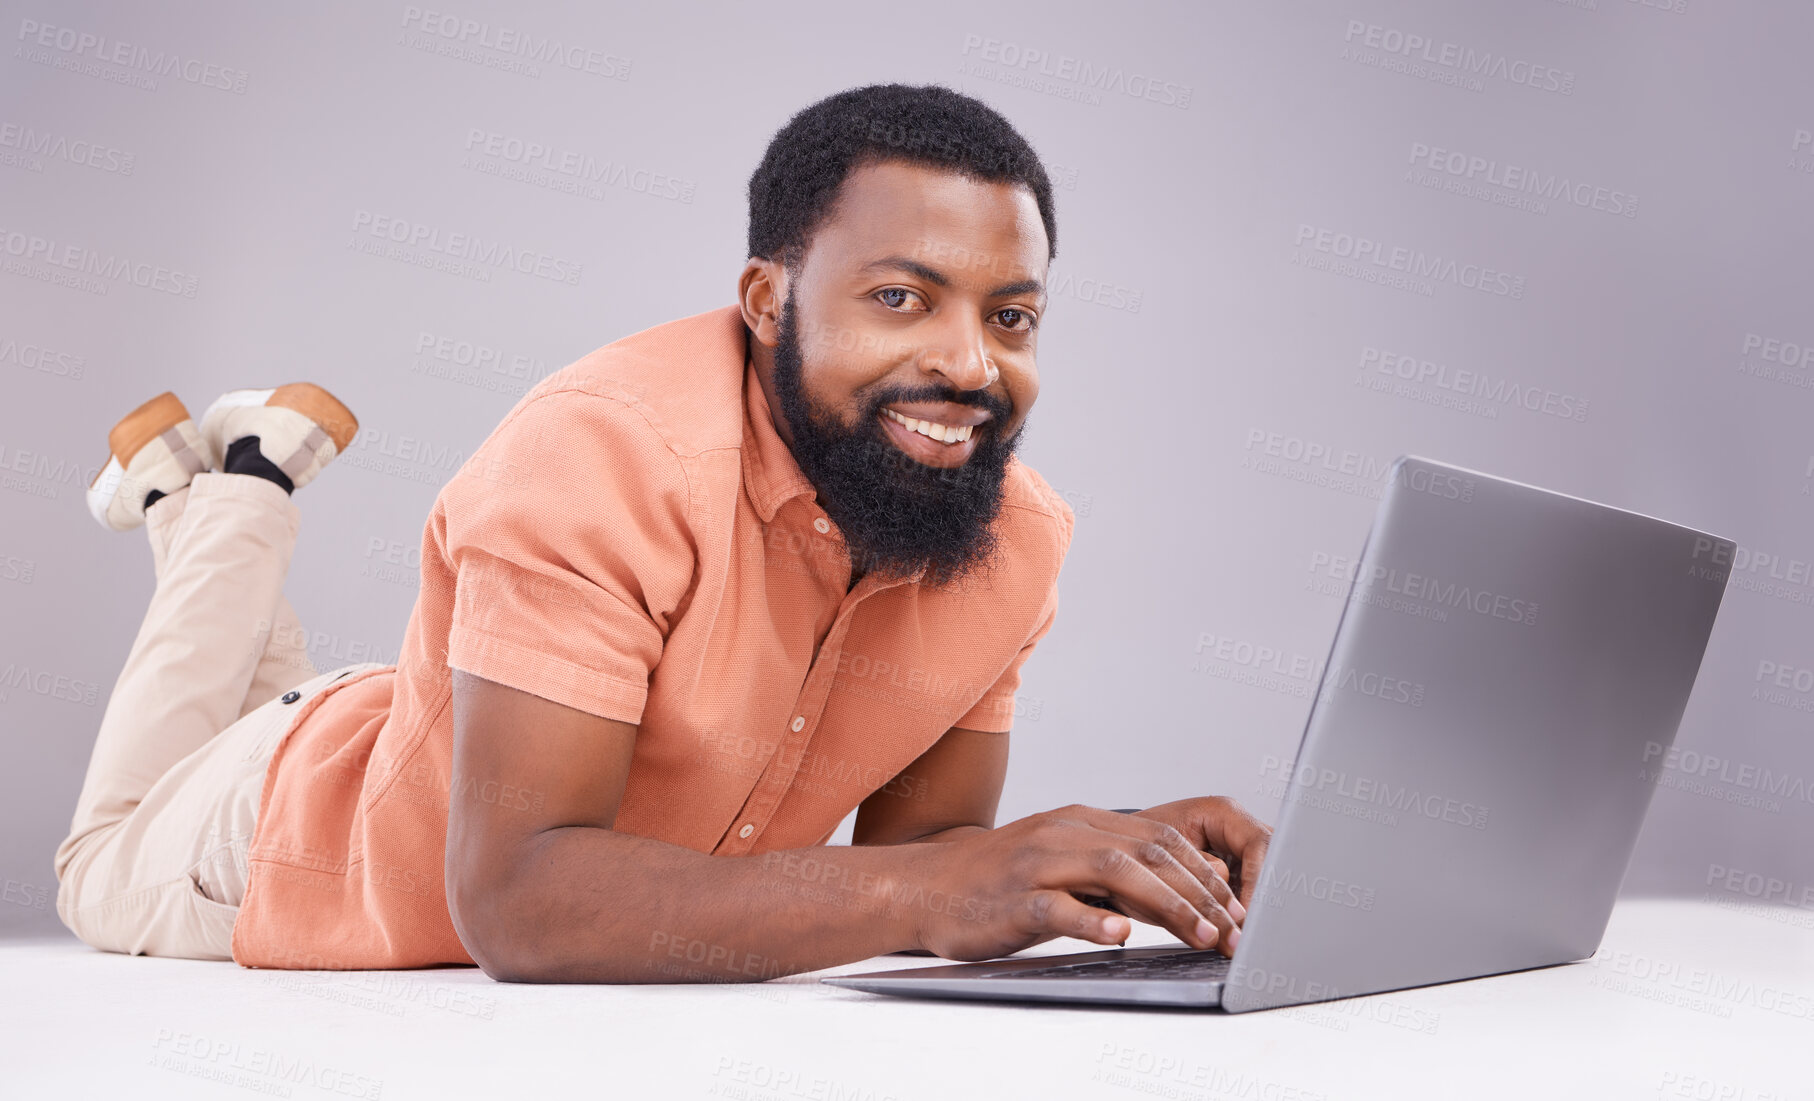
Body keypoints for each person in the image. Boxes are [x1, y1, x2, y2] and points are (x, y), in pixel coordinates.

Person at [55, 82, 1271, 982]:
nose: (968, 362)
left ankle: (206, 497)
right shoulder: (598, 455)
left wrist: (1112, 862)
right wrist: (942, 883)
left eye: (1010, 316)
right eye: (899, 298)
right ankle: (230, 494)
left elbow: (923, 865)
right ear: (765, 300)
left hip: (428, 722)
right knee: (96, 852)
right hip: (276, 833)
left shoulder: (1010, 536)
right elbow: (519, 902)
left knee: (288, 691)